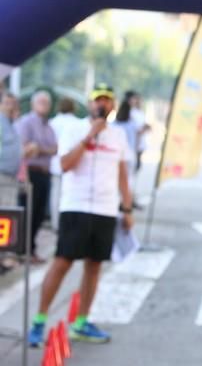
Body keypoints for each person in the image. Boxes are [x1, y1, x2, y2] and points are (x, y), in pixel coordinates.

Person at [28, 83, 134, 347]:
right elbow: (65, 165)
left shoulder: (118, 136)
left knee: (94, 265)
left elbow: (123, 175)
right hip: (75, 206)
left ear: (113, 106)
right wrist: (89, 136)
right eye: (99, 100)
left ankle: (81, 322)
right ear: (90, 104)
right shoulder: (74, 128)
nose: (103, 105)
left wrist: (128, 208)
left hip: (105, 208)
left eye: (108, 101)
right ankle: (39, 322)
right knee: (63, 262)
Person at [15, 90, 57, 263]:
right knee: (27, 213)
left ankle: (30, 249)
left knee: (39, 214)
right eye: (41, 102)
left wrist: (39, 148)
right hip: (30, 173)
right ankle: (21, 251)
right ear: (33, 104)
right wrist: (40, 149)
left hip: (44, 174)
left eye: (46, 103)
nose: (44, 106)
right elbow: (25, 149)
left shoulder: (49, 126)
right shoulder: (26, 122)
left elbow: (54, 149)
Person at [49, 97, 81, 231]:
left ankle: (56, 224)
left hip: (56, 164)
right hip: (72, 164)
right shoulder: (78, 123)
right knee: (70, 196)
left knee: (56, 196)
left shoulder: (52, 123)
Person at [0, 92, 22, 273]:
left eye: (12, 103)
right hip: (2, 176)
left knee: (7, 216)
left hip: (10, 176)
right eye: (7, 103)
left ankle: (5, 256)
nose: (10, 106)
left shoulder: (12, 124)